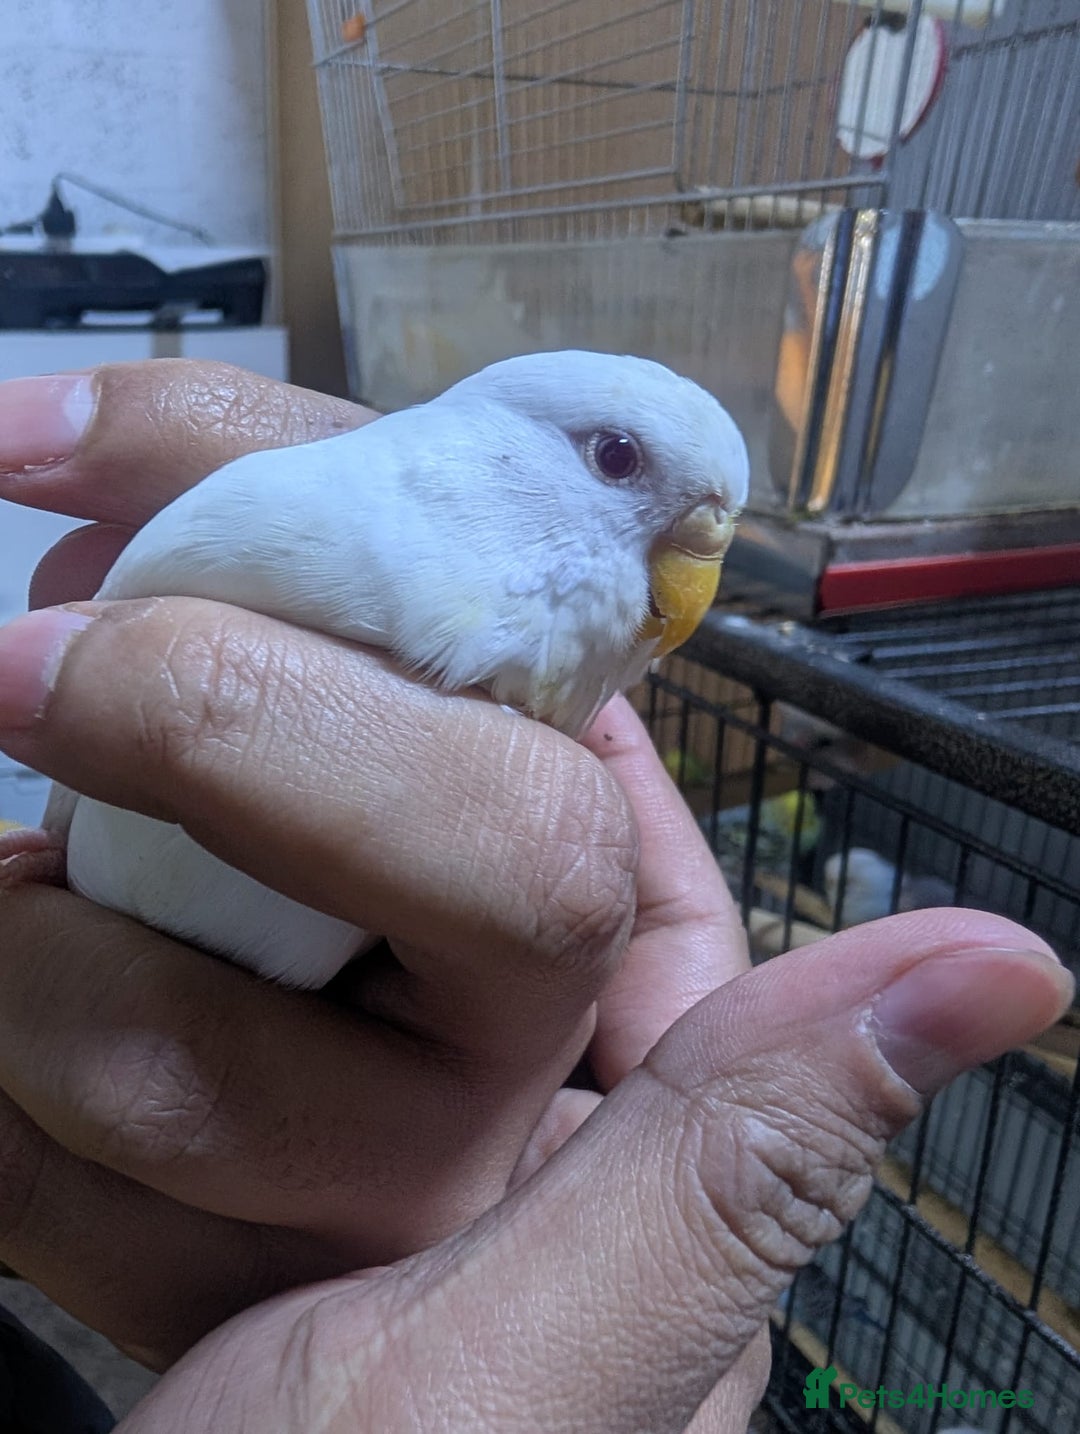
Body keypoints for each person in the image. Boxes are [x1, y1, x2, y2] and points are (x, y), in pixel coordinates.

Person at [0, 362, 1069, 1433]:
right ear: (479, 440)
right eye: (616, 462)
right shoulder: (266, 511)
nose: (688, 563)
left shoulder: (539, 727)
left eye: (706, 531)